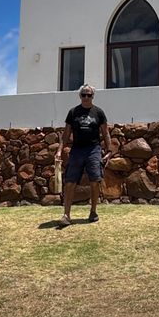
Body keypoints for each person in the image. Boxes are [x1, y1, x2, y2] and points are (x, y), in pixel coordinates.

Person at [58, 84, 112, 226]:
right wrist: (59, 150)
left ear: (93, 96)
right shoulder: (73, 112)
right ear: (80, 96)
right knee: (70, 182)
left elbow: (105, 133)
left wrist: (109, 151)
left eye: (89, 95)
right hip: (77, 150)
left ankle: (93, 211)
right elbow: (66, 134)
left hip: (93, 149)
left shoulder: (98, 112)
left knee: (95, 180)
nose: (86, 97)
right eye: (84, 95)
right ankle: (66, 215)